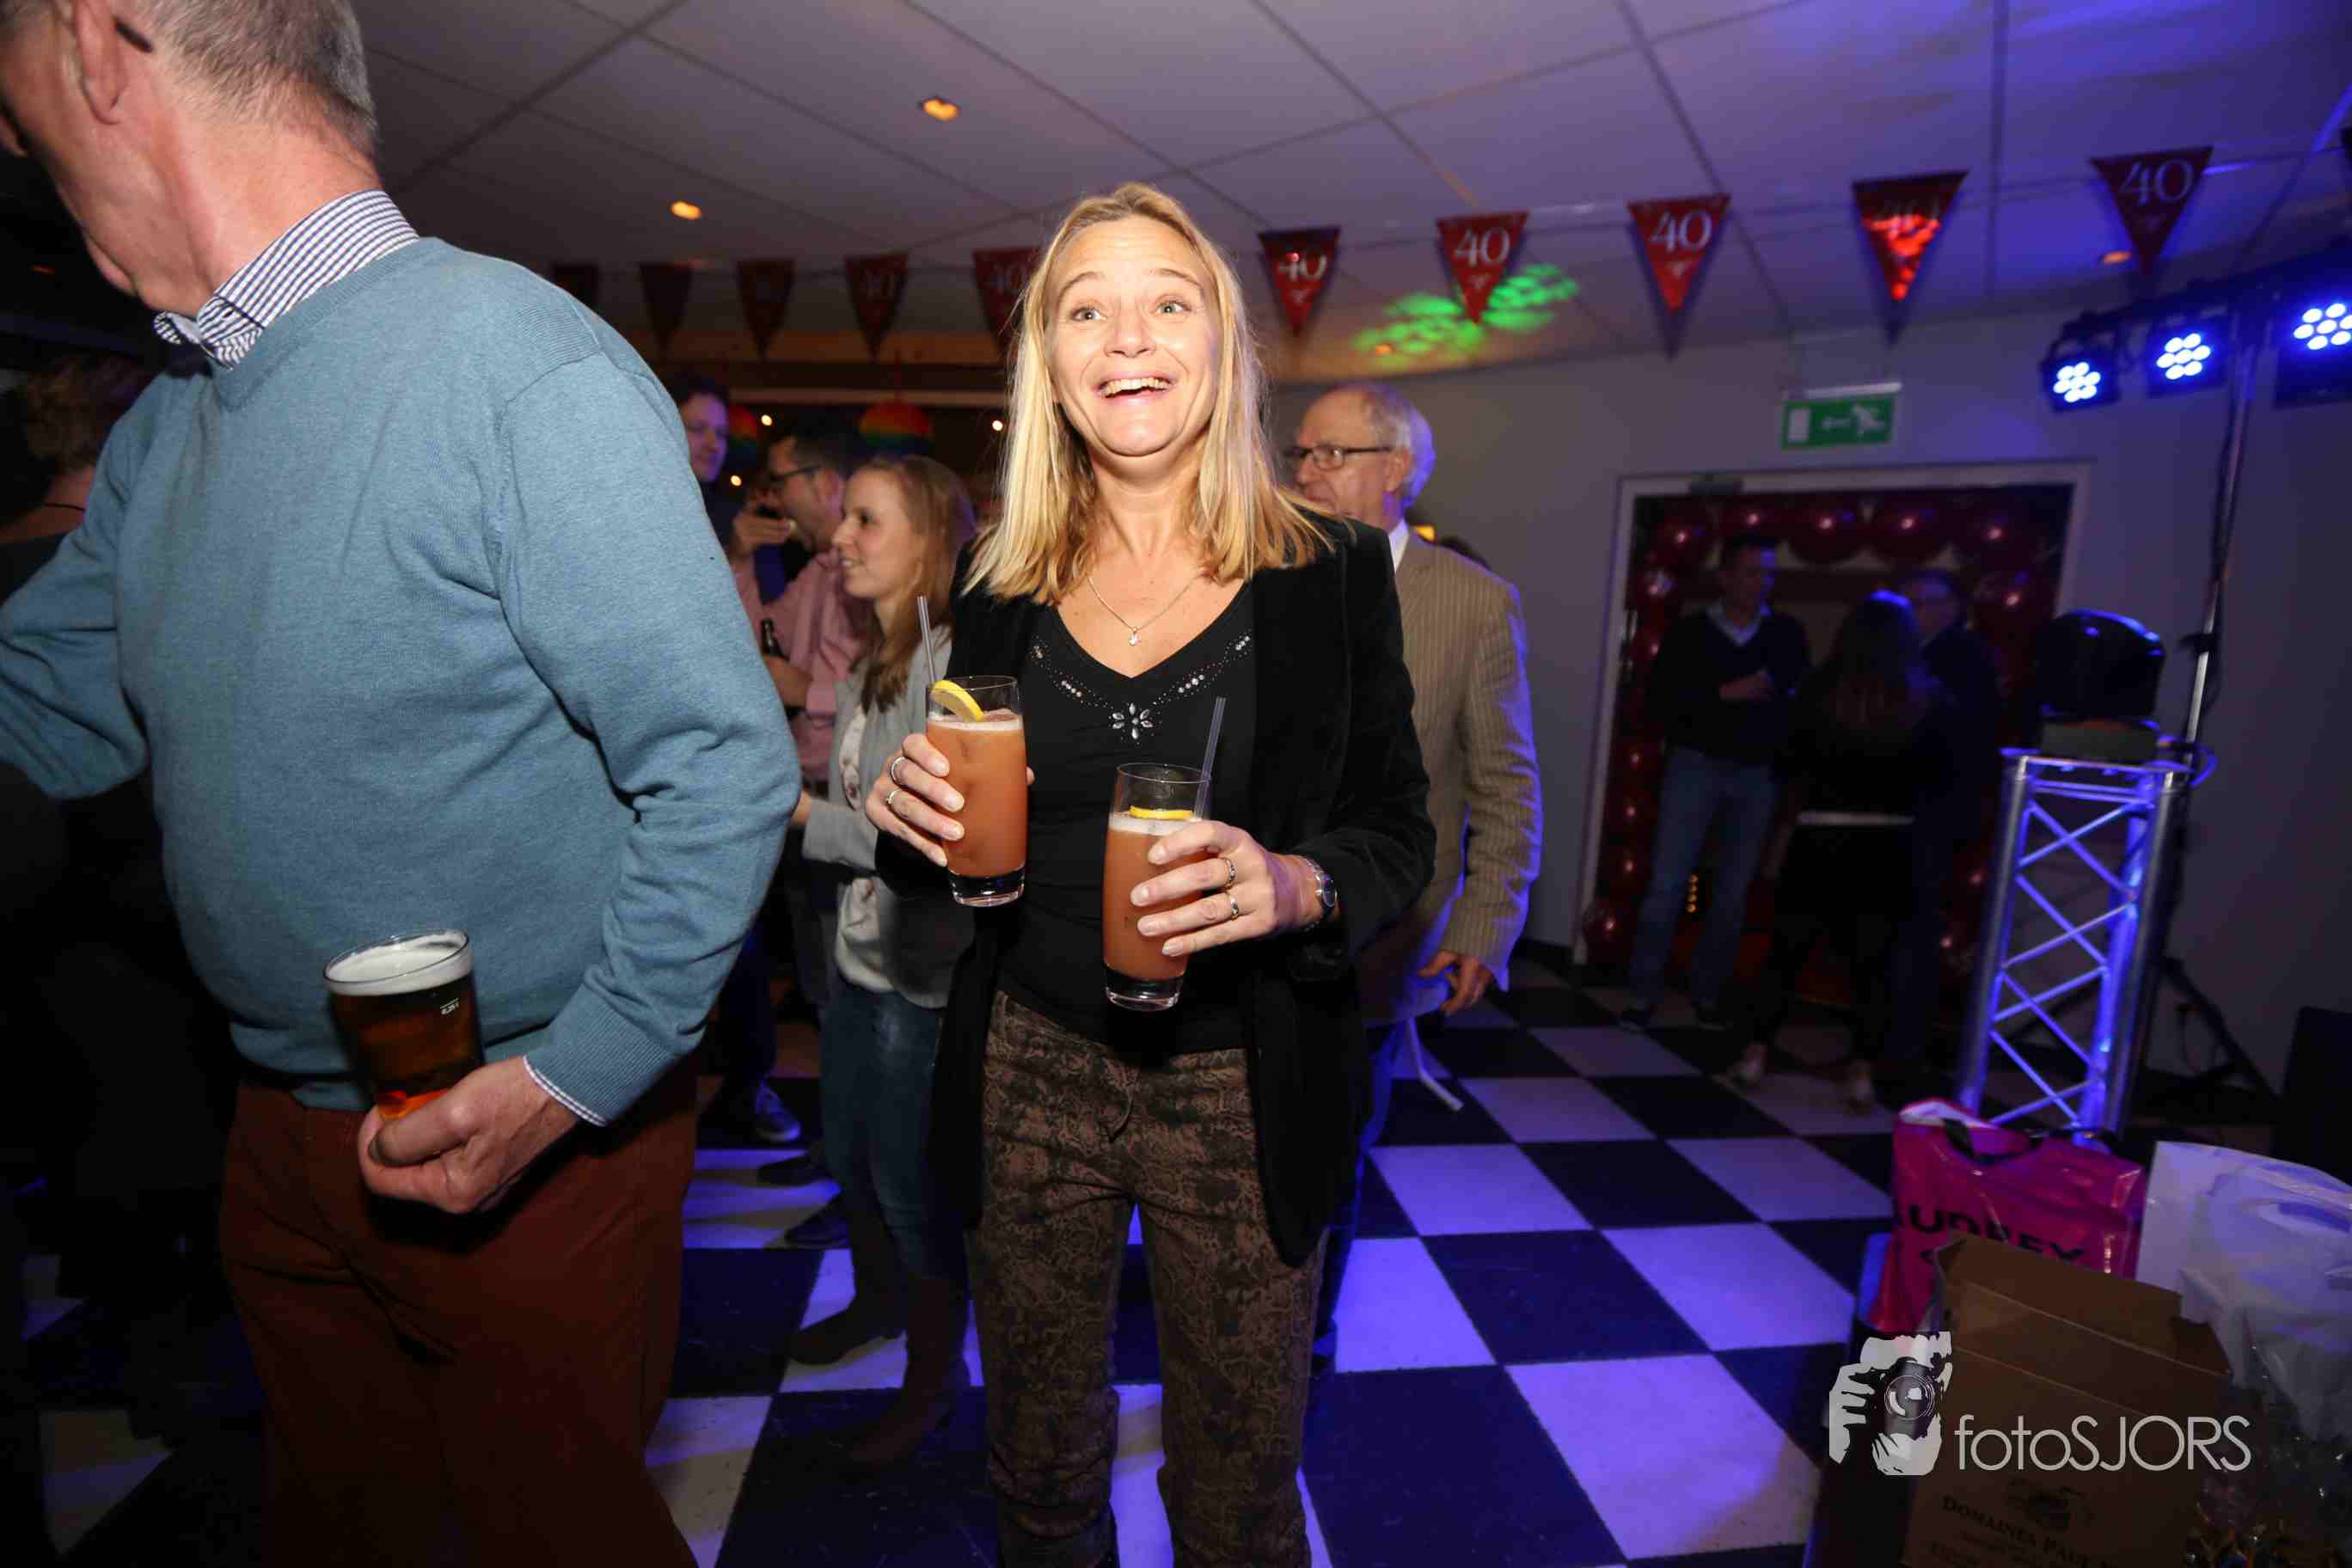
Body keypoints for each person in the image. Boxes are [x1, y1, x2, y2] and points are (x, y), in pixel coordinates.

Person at [0, 7, 798, 1565]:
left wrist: (572, 1079)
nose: (17, 148)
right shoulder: (170, 420)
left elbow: (723, 762)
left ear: (102, 46)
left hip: (525, 1125)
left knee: (551, 1534)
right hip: (273, 1126)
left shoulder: (514, 365)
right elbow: (48, 707)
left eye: (17, 109)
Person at [867, 182, 1434, 1568]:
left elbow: (1396, 830)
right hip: (1027, 1068)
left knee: (1239, 1491)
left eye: (1167, 302)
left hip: (1245, 1078)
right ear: (1050, 363)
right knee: (1039, 1463)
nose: (1127, 337)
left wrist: (1298, 886)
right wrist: (905, 817)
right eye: (1086, 310)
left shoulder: (1330, 572)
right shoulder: (999, 581)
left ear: (1222, 343)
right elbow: (955, 849)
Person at [1286, 383, 1540, 1377]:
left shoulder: (1472, 603)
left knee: (1330, 1144)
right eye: (1301, 453)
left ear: (1396, 469)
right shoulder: (1261, 580)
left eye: (1330, 454)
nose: (1306, 472)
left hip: (1382, 935)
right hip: (1252, 920)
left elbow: (1505, 784)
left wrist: (1485, 924)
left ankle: (1303, 1334)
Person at [787, 452, 976, 1466]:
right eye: (844, 518)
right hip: (861, 957)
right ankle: (875, 1304)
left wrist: (800, 817)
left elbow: (934, 846)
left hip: (924, 978)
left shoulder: (954, 669)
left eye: (866, 520)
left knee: (909, 1183)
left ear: (929, 540)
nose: (840, 537)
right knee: (851, 1152)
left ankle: (933, 1386)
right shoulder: (873, 656)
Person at [1733, 594, 1963, 1108]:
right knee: (1873, 967)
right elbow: (1944, 779)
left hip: (1820, 834)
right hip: (1889, 843)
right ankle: (1861, 1071)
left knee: (1785, 954)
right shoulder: (1928, 698)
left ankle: (1755, 1052)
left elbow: (1786, 761)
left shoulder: (1819, 690)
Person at [669, 375, 803, 1148]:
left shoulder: (734, 516)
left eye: (720, 433)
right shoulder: (645, 504)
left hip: (728, 747)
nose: (711, 445)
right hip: (661, 746)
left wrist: (751, 554)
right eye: (697, 429)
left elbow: (762, 635)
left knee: (738, 920)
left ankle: (749, 1082)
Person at [1620, 534, 1810, 1032]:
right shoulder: (1690, 634)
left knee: (1732, 892)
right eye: (1751, 572)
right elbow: (1662, 702)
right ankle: (1642, 993)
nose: (1761, 583)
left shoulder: (1786, 633)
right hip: (1696, 765)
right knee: (1668, 884)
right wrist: (1722, 694)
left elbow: (1796, 703)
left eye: (1768, 573)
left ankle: (1707, 993)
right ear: (1725, 577)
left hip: (1756, 773)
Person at [1891, 566, 2001, 1068]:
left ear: (1952, 609)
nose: (1914, 612)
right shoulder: (1905, 653)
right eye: (1909, 603)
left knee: (1919, 921)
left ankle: (1907, 1041)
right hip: (1907, 806)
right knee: (1900, 922)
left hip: (1937, 807)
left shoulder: (1964, 656)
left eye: (1924, 603)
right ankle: (1891, 1032)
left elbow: (1963, 734)